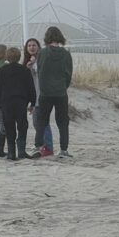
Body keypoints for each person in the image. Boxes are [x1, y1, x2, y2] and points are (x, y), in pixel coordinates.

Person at [34, 26, 73, 158]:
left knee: (42, 120)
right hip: (61, 92)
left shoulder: (42, 53)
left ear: (47, 37)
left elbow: (40, 71)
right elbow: (68, 73)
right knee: (62, 122)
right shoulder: (66, 54)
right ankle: (63, 149)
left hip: (45, 92)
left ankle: (38, 146)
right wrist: (63, 86)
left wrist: (43, 87)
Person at [0, 46, 36, 161]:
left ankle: (11, 152)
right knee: (22, 125)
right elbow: (31, 88)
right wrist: (32, 102)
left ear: (7, 57)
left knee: (9, 126)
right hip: (21, 101)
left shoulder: (2, 71)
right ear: (19, 57)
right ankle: (21, 151)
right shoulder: (25, 70)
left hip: (6, 102)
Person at [24, 37, 55, 157]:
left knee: (42, 122)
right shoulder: (27, 62)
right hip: (33, 96)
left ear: (38, 47)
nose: (31, 47)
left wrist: (33, 64)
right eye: (29, 46)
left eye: (34, 45)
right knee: (36, 122)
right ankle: (42, 144)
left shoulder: (42, 60)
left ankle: (48, 146)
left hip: (43, 95)